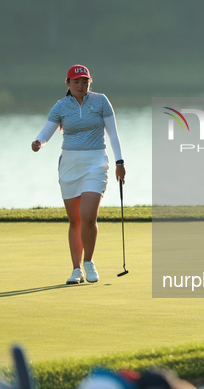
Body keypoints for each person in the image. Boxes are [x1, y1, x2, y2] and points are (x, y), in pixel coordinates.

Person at [32, 64, 125, 285]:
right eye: (76, 82)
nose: (81, 86)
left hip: (96, 162)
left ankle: (89, 262)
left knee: (88, 216)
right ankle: (76, 270)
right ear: (68, 83)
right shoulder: (61, 106)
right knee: (75, 220)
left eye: (85, 82)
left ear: (89, 83)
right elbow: (47, 131)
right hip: (70, 165)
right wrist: (39, 142)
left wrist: (120, 161)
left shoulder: (101, 101)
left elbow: (113, 134)